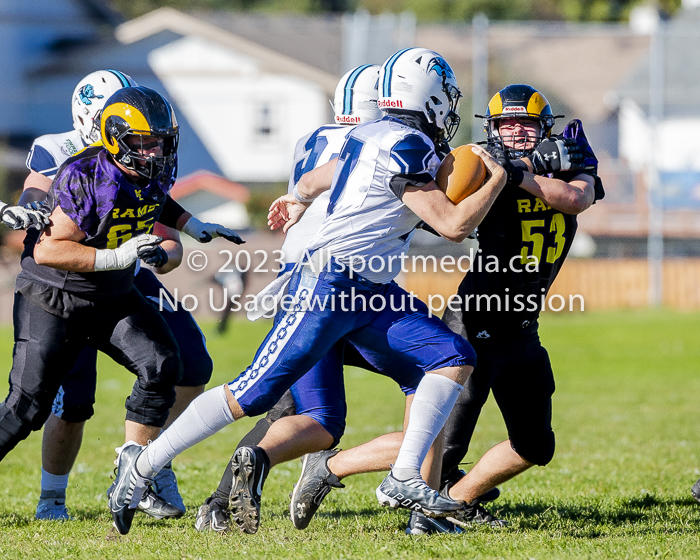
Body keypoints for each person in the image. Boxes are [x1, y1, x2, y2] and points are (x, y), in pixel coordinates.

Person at [107, 47, 509, 537]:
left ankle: (405, 476)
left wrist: (298, 196)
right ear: (430, 97)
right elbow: (451, 225)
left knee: (451, 355)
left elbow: (330, 172)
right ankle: (143, 465)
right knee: (251, 394)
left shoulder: (371, 133)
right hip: (330, 283)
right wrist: (497, 181)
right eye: (446, 96)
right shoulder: (406, 144)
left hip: (371, 289)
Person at [287, 83, 605, 531]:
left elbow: (575, 198)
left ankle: (460, 498)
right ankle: (338, 471)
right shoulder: (479, 166)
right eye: (505, 124)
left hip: (523, 327)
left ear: (543, 126)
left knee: (536, 446)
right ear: (492, 129)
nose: (515, 132)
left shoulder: (566, 158)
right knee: (441, 445)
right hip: (474, 319)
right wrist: (303, 191)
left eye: (525, 124)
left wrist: (522, 173)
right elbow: (400, 182)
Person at [195, 64, 444, 533]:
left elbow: (308, 194)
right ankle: (419, 498)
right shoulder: (385, 145)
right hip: (349, 287)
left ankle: (220, 502)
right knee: (438, 375)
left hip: (299, 280)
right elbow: (428, 214)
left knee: (303, 409)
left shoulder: (314, 140)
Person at [0, 85, 241, 522]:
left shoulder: (153, 168)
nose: (153, 152)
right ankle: (59, 493)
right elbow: (48, 250)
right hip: (55, 296)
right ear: (113, 137)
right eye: (142, 143)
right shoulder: (84, 173)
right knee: (25, 410)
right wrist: (118, 256)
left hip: (110, 294)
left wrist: (191, 224)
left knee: (164, 363)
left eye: (160, 141)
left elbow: (156, 199)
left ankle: (136, 466)